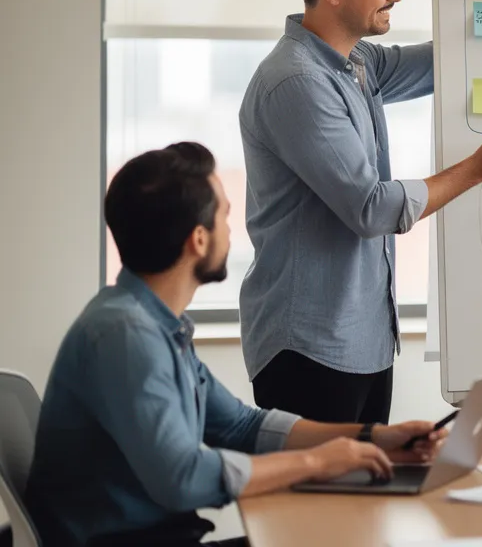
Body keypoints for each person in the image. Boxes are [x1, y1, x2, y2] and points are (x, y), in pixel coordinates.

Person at [25, 143, 449, 547]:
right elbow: (183, 478)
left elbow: (239, 426)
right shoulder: (125, 336)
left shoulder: (153, 324)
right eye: (224, 217)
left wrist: (373, 438)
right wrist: (319, 462)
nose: (232, 230)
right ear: (199, 240)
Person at [239, 0, 482, 424]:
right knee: (323, 503)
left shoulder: (358, 64)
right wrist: (477, 170)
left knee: (362, 498)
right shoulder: (297, 83)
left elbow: (457, 56)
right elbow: (371, 209)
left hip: (364, 342)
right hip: (310, 350)